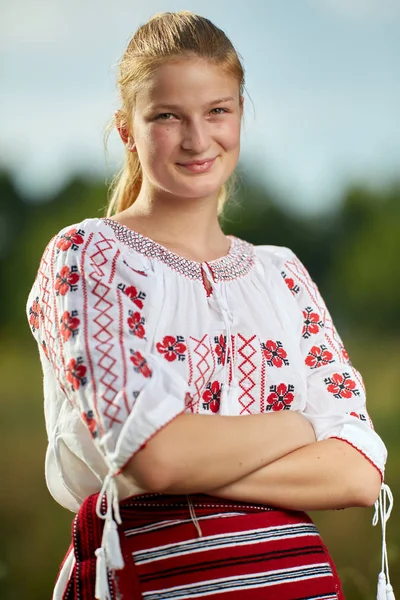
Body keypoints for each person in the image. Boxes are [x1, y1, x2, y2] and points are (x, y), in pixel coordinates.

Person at [26, 11, 394, 600]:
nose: (198, 140)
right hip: (156, 579)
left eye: (217, 111)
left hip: (295, 583)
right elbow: (153, 457)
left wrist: (189, 458)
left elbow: (356, 469)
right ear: (126, 129)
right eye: (168, 116)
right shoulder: (90, 255)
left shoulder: (282, 274)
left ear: (241, 116)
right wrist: (298, 425)